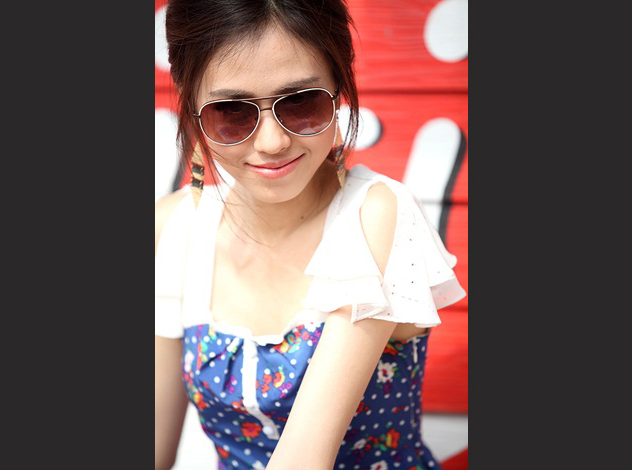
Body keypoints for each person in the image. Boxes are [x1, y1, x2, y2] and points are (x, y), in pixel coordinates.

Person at [155, 1, 466, 469]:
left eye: (301, 102)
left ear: (339, 85)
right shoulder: (174, 228)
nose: (272, 142)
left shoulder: (375, 216)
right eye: (231, 112)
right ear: (190, 103)